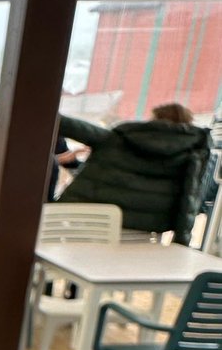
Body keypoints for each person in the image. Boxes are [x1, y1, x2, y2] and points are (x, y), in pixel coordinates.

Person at [56, 103, 211, 245]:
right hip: (149, 232)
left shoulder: (119, 138)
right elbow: (189, 199)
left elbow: (70, 126)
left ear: (155, 120)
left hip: (98, 223)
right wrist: (181, 241)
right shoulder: (193, 152)